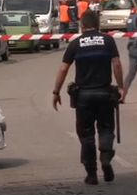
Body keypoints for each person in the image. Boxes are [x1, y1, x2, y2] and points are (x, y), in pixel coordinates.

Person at [52, 10, 126, 185]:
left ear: (82, 25)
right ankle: (106, 156)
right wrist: (121, 87)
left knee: (86, 135)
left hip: (83, 96)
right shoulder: (108, 41)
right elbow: (116, 64)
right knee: (106, 129)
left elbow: (63, 69)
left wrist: (56, 92)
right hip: (105, 93)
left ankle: (91, 174)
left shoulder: (75, 44)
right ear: (98, 24)